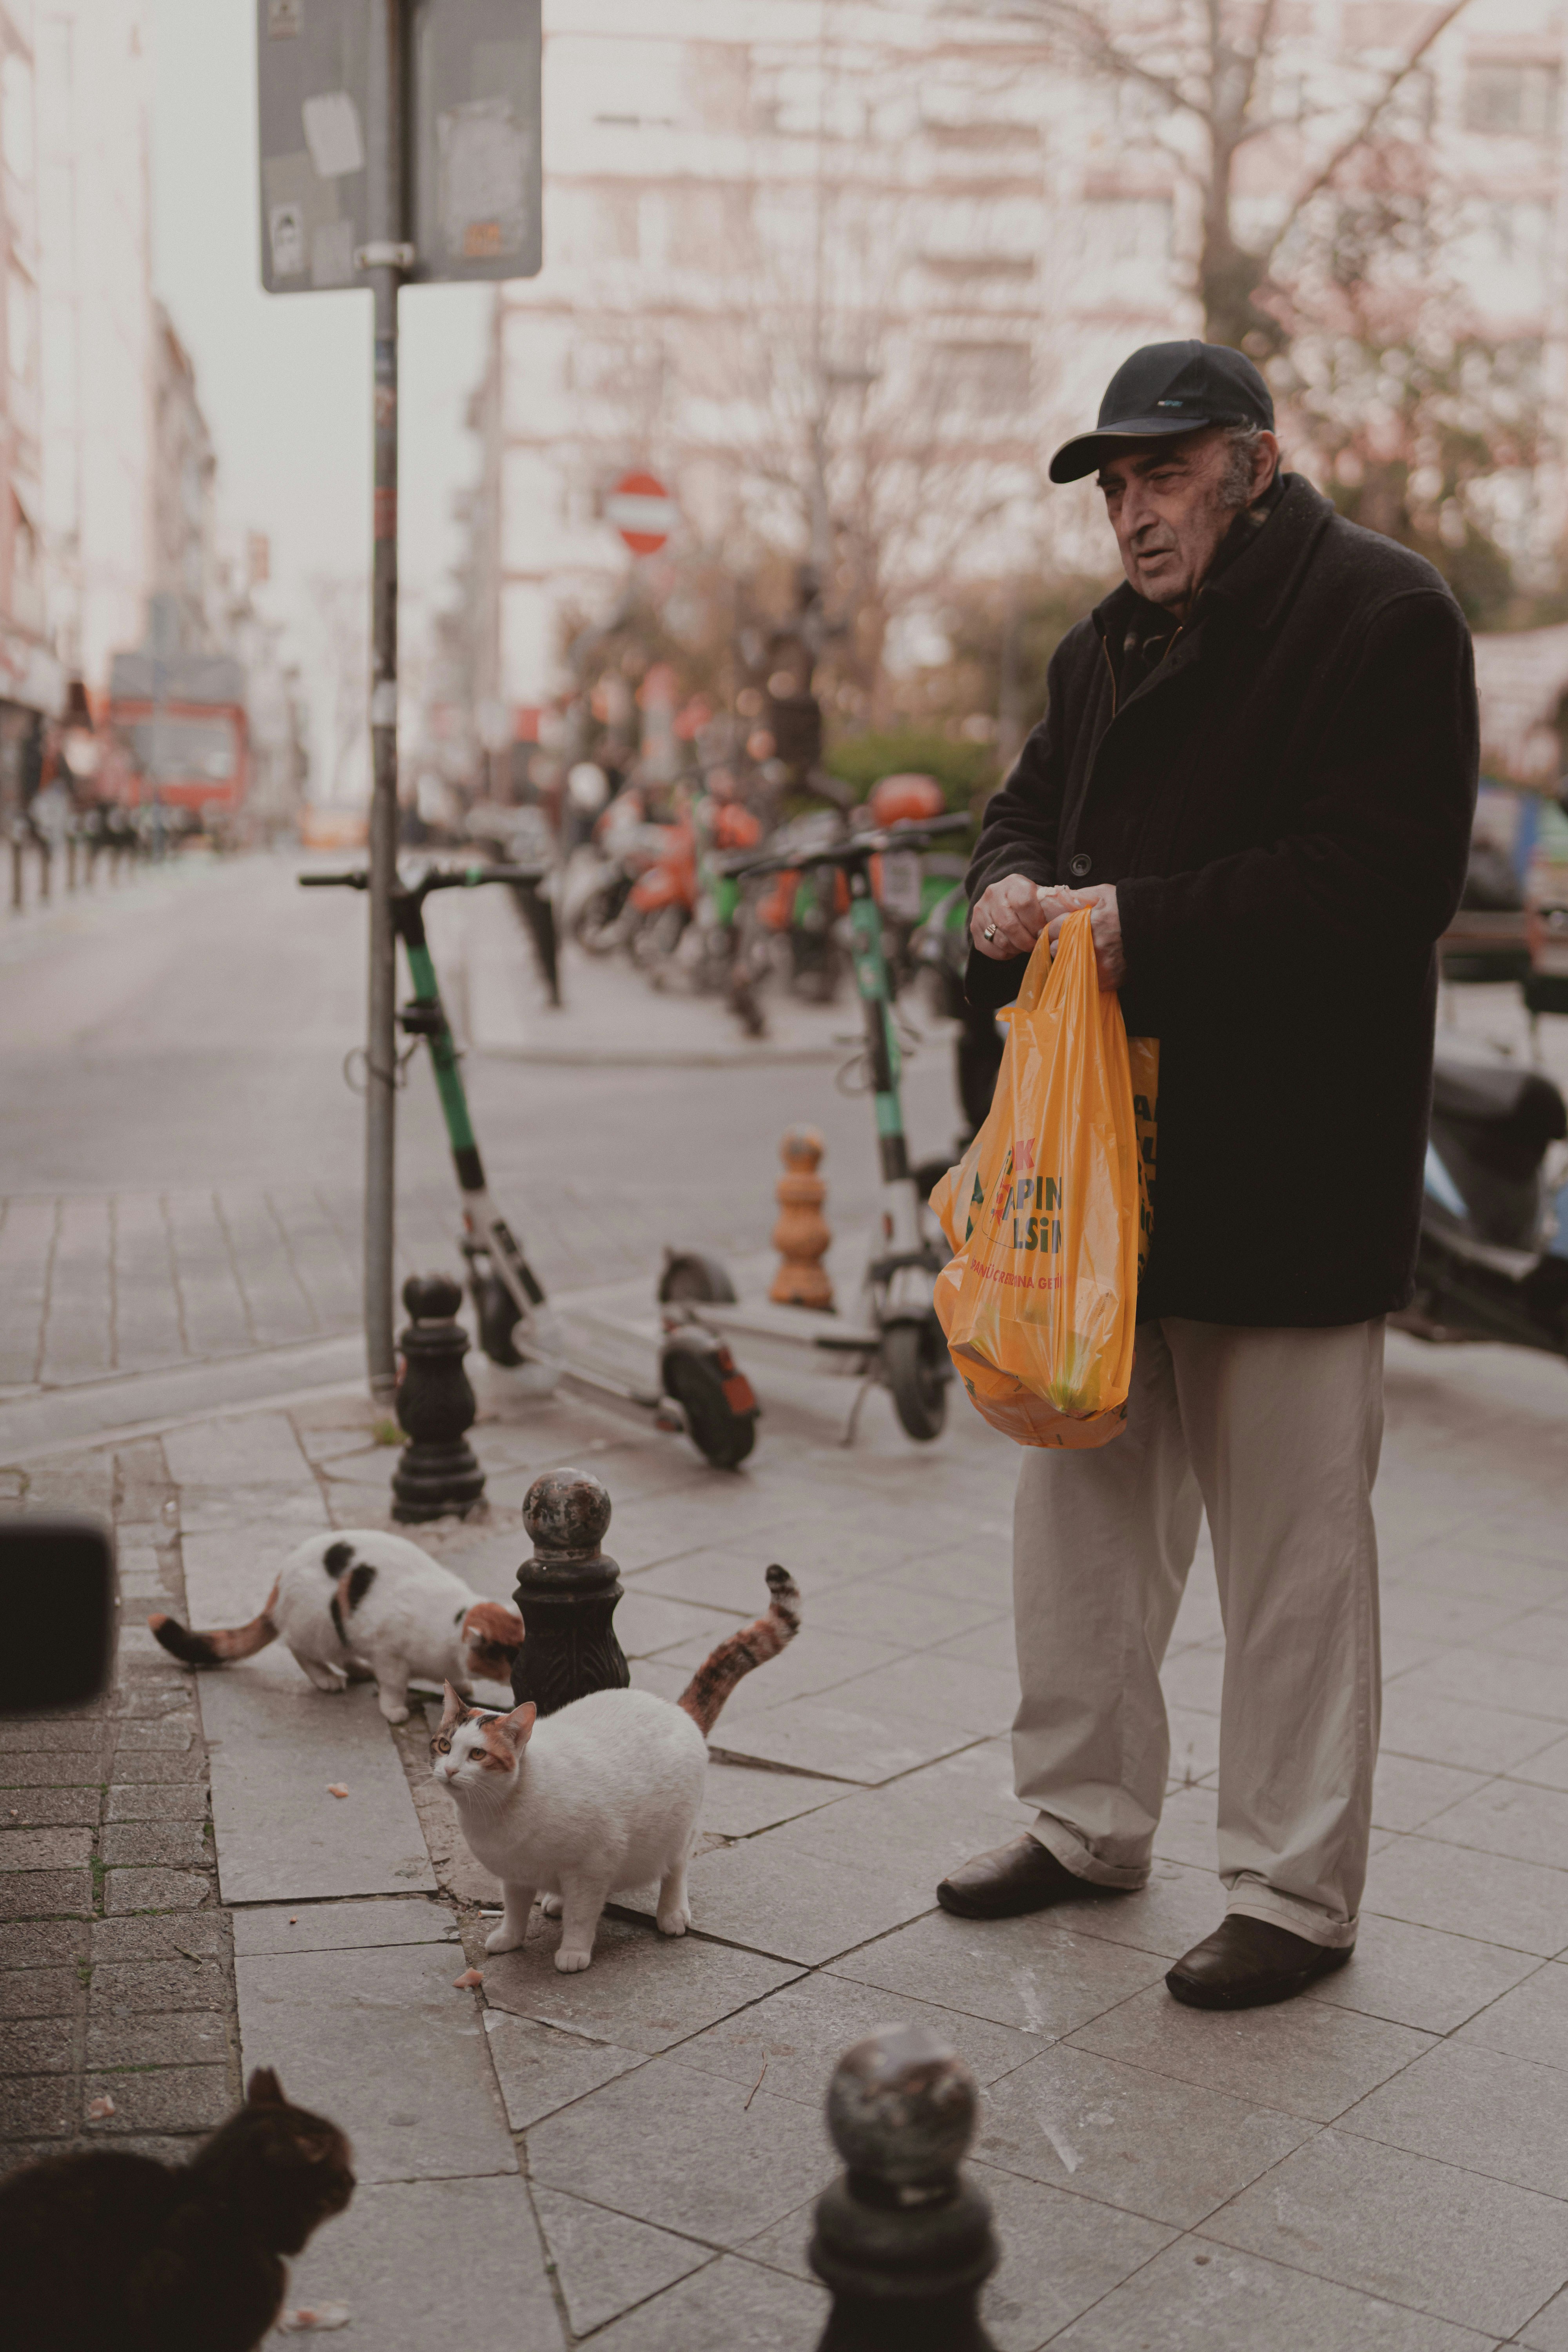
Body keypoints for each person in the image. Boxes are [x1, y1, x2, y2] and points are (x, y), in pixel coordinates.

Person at [940, 340, 1477, 2009]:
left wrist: (1129, 927)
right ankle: (1085, 1822)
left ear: (1253, 462)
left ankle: (1294, 1895)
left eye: (1161, 474)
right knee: (1082, 1527)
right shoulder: (1103, 651)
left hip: (1287, 1176)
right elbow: (1021, 814)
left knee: (1292, 1557)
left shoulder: (1383, 616)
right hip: (1106, 1182)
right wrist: (1006, 891)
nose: (1130, 513)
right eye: (1112, 486)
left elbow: (1375, 887)